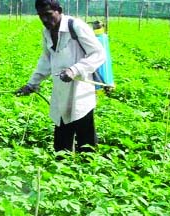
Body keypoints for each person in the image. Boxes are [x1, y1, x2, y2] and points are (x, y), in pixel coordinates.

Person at [16, 0, 106, 154]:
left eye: (48, 14)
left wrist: (74, 70)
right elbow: (46, 60)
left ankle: (90, 172)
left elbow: (98, 53)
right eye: (40, 16)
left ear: (59, 10)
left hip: (80, 92)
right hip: (60, 92)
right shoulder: (46, 32)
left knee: (86, 142)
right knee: (61, 143)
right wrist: (32, 84)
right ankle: (62, 172)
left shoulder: (76, 26)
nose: (44, 20)